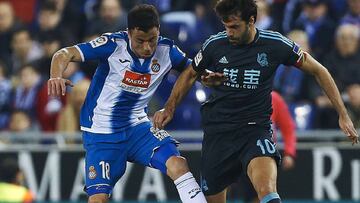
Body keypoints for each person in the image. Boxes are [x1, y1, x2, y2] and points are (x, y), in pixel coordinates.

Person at [153, 0, 359, 203]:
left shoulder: (275, 44)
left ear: (251, 20)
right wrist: (169, 108)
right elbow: (190, 74)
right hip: (219, 131)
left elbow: (319, 70)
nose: (229, 32)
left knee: (267, 190)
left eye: (234, 27)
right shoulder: (215, 44)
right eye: (226, 26)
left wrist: (343, 114)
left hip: (255, 129)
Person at [47, 4, 207, 203]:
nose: (148, 47)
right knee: (98, 199)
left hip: (137, 126)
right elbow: (64, 54)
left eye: (152, 40)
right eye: (140, 41)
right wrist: (55, 76)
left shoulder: (168, 50)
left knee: (178, 165)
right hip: (101, 132)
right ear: (129, 33)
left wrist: (210, 77)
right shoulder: (113, 44)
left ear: (158, 32)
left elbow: (193, 70)